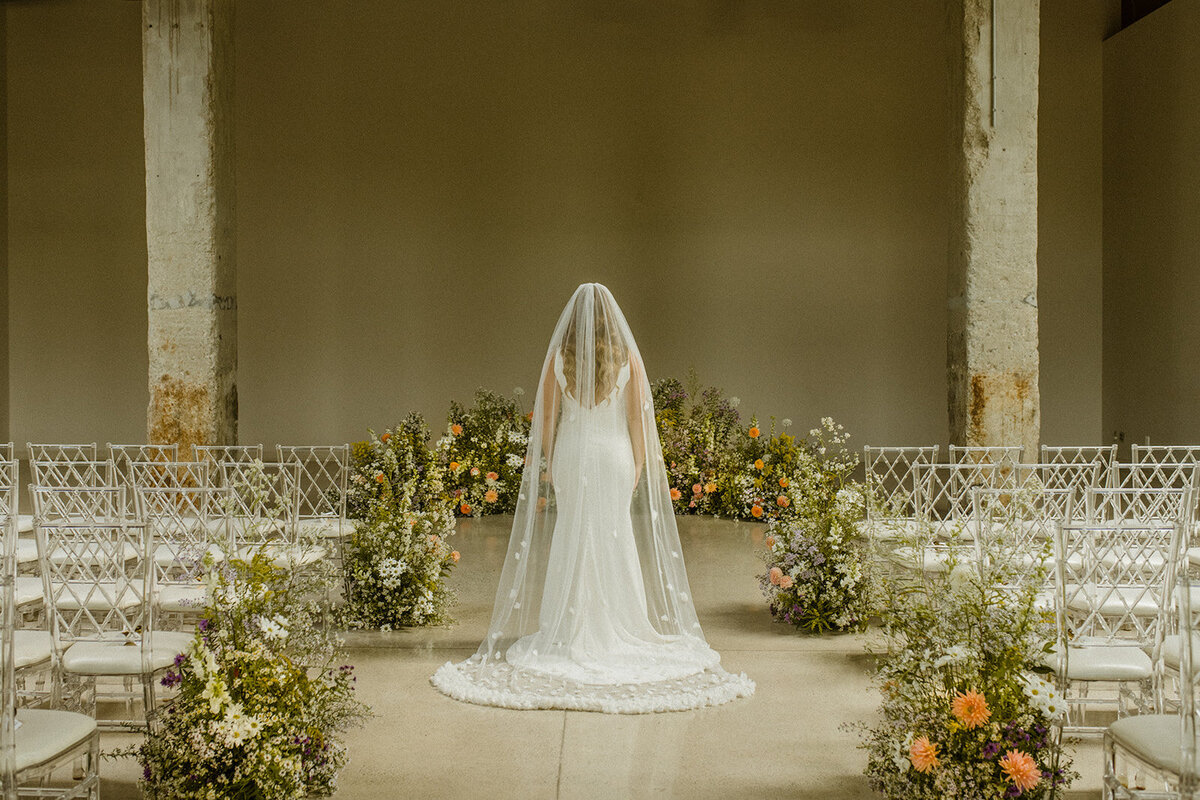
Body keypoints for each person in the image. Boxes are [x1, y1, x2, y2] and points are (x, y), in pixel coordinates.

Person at [431, 283, 753, 712]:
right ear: (611, 319)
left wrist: (552, 461)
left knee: (573, 534)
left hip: (573, 456)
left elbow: (547, 420)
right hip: (614, 456)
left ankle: (569, 626)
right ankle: (619, 624)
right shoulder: (627, 360)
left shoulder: (558, 361)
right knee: (615, 535)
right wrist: (638, 465)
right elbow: (639, 422)